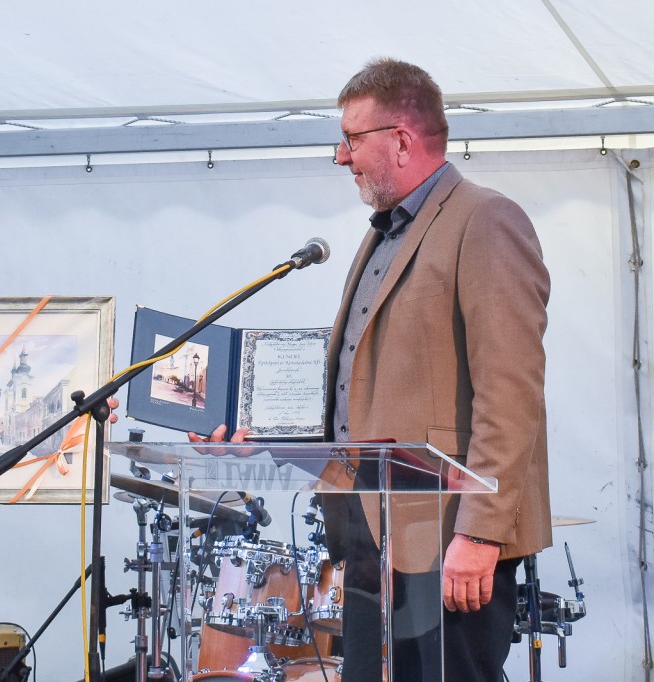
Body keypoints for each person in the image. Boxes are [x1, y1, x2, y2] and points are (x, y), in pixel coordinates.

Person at [194, 58, 551, 682]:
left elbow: (511, 394)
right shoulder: (381, 236)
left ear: (402, 141)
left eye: (351, 139)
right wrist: (261, 438)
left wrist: (481, 535)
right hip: (366, 531)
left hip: (445, 534)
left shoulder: (486, 220)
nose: (341, 156)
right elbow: (360, 390)